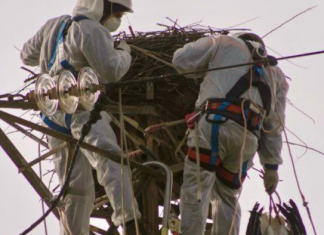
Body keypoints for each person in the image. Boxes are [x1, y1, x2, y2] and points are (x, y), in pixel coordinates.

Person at [20, 0, 141, 234]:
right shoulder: (92, 29)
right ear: (101, 5)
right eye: (117, 12)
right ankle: (129, 222)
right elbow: (111, 71)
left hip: (52, 116)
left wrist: (52, 51)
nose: (118, 18)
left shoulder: (53, 25)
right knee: (109, 161)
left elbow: (26, 55)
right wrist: (124, 53)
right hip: (82, 112)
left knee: (76, 190)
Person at [172, 32, 289, 235]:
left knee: (197, 188)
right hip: (247, 141)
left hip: (214, 127)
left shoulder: (224, 42)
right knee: (227, 198)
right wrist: (271, 167)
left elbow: (181, 61)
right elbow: (273, 127)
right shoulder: (276, 75)